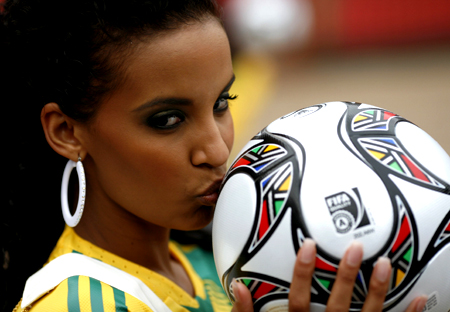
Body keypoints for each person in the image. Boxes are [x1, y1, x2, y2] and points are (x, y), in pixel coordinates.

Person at [0, 0, 428, 312]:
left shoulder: (221, 264)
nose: (218, 149)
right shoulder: (72, 304)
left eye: (222, 102)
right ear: (67, 132)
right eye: (167, 120)